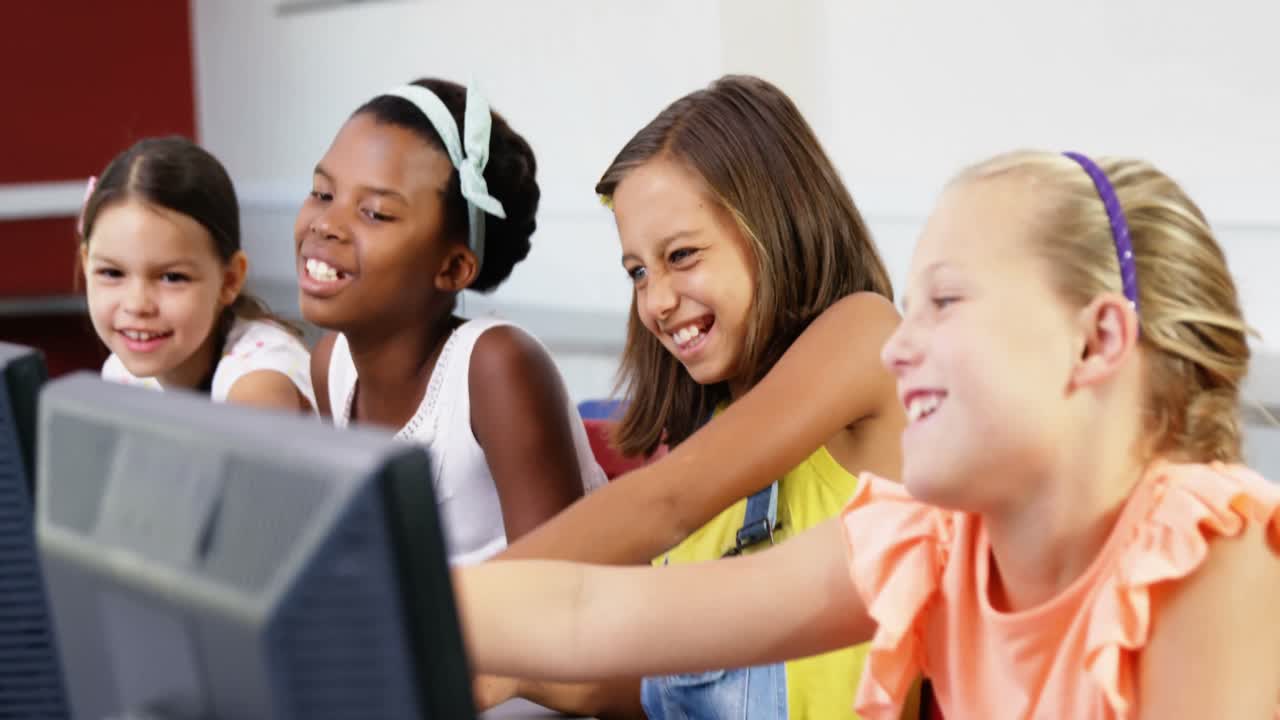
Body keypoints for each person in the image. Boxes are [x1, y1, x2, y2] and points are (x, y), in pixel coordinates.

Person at [462, 150, 1280, 719]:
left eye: (947, 302)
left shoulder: (1210, 547)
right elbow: (589, 610)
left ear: (1096, 340)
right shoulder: (938, 540)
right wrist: (380, 597)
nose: (896, 344)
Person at [484, 75, 908, 719]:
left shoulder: (865, 334)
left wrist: (454, 605)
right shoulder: (709, 420)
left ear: (779, 222)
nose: (655, 300)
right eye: (637, 272)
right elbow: (671, 691)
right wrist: (515, 673)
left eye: (681, 255)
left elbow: (669, 501)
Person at [299, 78, 606, 565]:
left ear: (453, 267)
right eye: (321, 193)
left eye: (374, 213)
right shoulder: (330, 367)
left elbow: (553, 593)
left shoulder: (496, 368)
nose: (325, 224)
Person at [81, 136, 314, 411]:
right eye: (112, 273)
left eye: (172, 277)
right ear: (86, 265)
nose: (136, 305)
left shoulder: (258, 384)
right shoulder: (121, 373)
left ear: (229, 280)